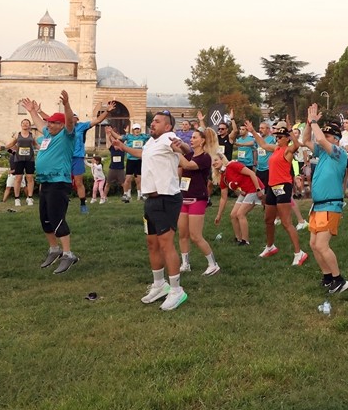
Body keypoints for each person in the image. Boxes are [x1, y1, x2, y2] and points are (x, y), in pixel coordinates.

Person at [108, 110, 190, 311]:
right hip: (151, 200)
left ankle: (177, 290)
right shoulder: (151, 143)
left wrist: (183, 147)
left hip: (166, 199)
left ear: (168, 126)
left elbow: (183, 148)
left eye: (157, 121)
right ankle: (159, 284)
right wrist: (123, 146)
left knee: (166, 244)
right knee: (152, 243)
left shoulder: (168, 137)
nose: (152, 124)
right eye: (152, 121)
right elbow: (141, 154)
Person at [23, 93, 80, 274]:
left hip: (59, 182)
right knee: (45, 220)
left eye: (55, 122)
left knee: (57, 219)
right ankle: (54, 250)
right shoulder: (47, 134)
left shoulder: (67, 135)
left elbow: (70, 121)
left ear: (61, 125)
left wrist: (67, 105)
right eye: (50, 122)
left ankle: (68, 254)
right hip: (46, 182)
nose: (50, 125)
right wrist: (33, 111)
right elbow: (40, 124)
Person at [302, 104, 348, 294]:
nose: (323, 139)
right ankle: (327, 276)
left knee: (322, 244)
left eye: (329, 136)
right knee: (314, 244)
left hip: (331, 204)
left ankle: (339, 280)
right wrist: (309, 123)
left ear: (336, 140)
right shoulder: (322, 153)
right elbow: (306, 139)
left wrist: (315, 121)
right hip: (318, 205)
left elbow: (320, 139)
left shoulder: (340, 153)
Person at [249, 120, 308, 266]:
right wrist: (253, 131)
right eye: (277, 137)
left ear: (286, 138)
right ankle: (270, 247)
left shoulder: (288, 151)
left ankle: (299, 253)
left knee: (286, 222)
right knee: (268, 220)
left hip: (283, 186)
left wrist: (290, 132)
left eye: (280, 137)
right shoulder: (276, 149)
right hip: (272, 187)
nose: (277, 139)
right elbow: (262, 144)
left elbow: (297, 145)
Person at [175, 127, 220, 277]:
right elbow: (185, 152)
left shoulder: (205, 158)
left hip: (197, 199)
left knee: (195, 236)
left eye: (195, 137)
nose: (191, 139)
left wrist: (176, 151)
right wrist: (179, 145)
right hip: (184, 198)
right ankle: (185, 263)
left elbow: (188, 165)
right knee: (183, 234)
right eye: (191, 137)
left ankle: (213, 264)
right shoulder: (190, 154)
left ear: (202, 141)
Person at [69, 102, 115, 213]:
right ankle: (62, 201)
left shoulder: (81, 126)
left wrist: (107, 111)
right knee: (63, 182)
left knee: (79, 182)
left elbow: (98, 120)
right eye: (69, 117)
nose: (71, 119)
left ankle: (83, 204)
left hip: (77, 158)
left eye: (73, 117)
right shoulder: (63, 127)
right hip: (65, 158)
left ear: (77, 119)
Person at [218, 159, 259, 245]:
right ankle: (238, 238)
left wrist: (258, 189)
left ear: (222, 160)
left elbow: (252, 173)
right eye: (212, 161)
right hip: (245, 191)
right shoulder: (223, 177)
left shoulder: (233, 165)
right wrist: (219, 215)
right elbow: (223, 198)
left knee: (240, 214)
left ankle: (245, 240)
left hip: (254, 188)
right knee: (233, 215)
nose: (214, 163)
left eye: (216, 160)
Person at [6, 118, 38, 208]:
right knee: (18, 178)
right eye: (23, 123)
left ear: (29, 125)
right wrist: (2, 147)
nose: (25, 124)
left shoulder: (32, 135)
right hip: (19, 159)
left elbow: (35, 145)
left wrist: (44, 148)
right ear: (21, 125)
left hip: (30, 159)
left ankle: (30, 197)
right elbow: (11, 144)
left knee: (30, 178)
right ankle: (17, 199)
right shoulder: (17, 135)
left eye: (27, 123)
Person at [121, 122, 150, 203]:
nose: (137, 130)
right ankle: (126, 194)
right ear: (133, 130)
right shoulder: (129, 137)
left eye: (138, 129)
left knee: (139, 179)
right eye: (135, 129)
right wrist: (110, 132)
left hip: (139, 160)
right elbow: (119, 137)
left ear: (140, 130)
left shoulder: (143, 136)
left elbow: (153, 136)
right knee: (128, 178)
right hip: (130, 160)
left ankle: (140, 195)